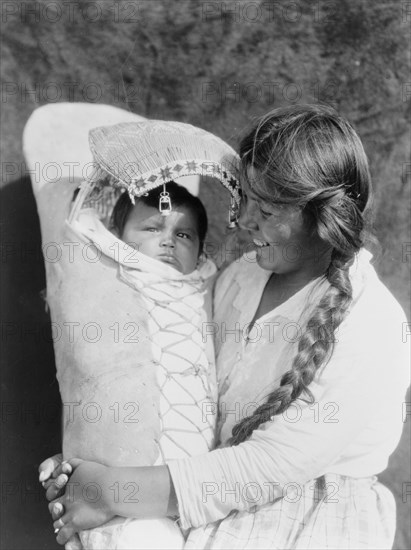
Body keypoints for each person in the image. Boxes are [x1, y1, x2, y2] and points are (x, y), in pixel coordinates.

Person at [41, 104, 410, 549]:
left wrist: (116, 490)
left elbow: (271, 465)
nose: (243, 219)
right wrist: (93, 464)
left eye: (268, 210)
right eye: (247, 198)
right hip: (201, 503)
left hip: (311, 523)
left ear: (323, 218)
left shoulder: (372, 321)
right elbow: (177, 380)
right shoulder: (239, 279)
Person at [34, 120, 241, 550]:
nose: (168, 241)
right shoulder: (105, 273)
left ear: (201, 250)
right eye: (152, 229)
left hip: (192, 488)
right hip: (119, 484)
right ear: (120, 236)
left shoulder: (211, 288)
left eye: (183, 235)